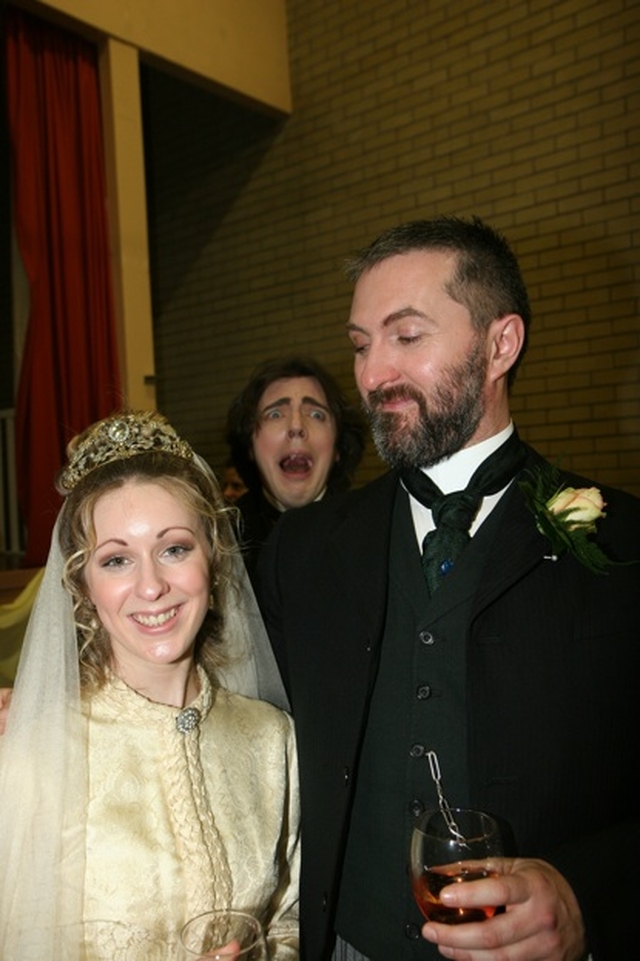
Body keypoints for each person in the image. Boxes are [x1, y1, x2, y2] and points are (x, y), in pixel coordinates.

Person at [255, 216, 640, 960]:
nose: (370, 376)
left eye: (407, 336)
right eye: (362, 344)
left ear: (500, 344)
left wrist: (585, 895)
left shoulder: (626, 545)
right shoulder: (302, 550)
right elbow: (226, 708)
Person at [0, 410, 299, 959]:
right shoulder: (29, 753)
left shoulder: (270, 739)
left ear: (213, 556)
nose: (152, 586)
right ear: (82, 585)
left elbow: (288, 918)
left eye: (175, 548)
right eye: (116, 560)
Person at [226, 356, 365, 579]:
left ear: (338, 446)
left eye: (316, 414)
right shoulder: (221, 541)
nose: (297, 426)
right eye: (275, 414)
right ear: (249, 444)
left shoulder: (373, 534)